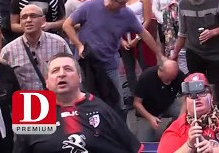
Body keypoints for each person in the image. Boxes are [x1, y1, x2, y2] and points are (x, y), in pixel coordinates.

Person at [62, 0, 165, 112]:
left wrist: (159, 54)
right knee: (86, 101)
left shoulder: (126, 14)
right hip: (86, 63)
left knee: (116, 102)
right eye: (121, 2)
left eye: (126, 2)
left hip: (109, 63)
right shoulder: (90, 6)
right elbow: (67, 25)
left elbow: (144, 34)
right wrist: (79, 45)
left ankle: (117, 128)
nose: (124, 5)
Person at [13, 53, 143, 153]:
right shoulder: (33, 113)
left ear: (80, 78)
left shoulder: (102, 110)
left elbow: (133, 148)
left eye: (68, 69)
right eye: (55, 71)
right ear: (46, 82)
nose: (62, 74)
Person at [170, 0, 219, 114]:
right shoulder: (183, 4)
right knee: (196, 91)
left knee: (217, 93)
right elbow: (182, 32)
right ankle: (199, 122)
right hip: (194, 52)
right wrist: (174, 54)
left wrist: (214, 32)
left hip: (215, 54)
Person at [158, 73, 219, 153]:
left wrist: (213, 151)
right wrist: (189, 145)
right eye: (191, 95)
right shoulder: (176, 128)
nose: (197, 98)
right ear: (186, 102)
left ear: (211, 97)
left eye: (202, 92)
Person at [0, 4, 71, 90]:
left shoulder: (59, 43)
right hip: (25, 100)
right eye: (24, 17)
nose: (28, 20)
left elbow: (71, 70)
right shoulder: (8, 51)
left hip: (56, 98)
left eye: (33, 16)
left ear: (43, 20)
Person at [133, 60, 186, 142]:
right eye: (168, 77)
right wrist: (150, 117)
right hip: (148, 111)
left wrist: (180, 119)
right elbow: (137, 103)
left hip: (168, 104)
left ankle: (170, 129)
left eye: (173, 78)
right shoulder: (146, 77)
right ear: (160, 71)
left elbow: (186, 97)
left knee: (187, 110)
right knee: (144, 142)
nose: (170, 81)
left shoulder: (178, 75)